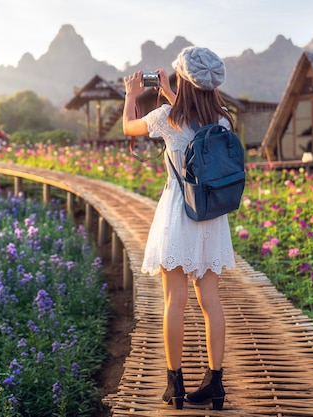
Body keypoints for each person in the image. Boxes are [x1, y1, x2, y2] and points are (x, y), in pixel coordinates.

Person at [122, 46, 236, 411]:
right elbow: (197, 121)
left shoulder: (166, 117)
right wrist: (174, 91)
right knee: (210, 301)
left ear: (182, 80)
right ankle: (215, 385)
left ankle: (176, 385)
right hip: (212, 215)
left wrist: (130, 95)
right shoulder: (224, 121)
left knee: (175, 299)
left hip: (179, 212)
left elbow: (129, 127)